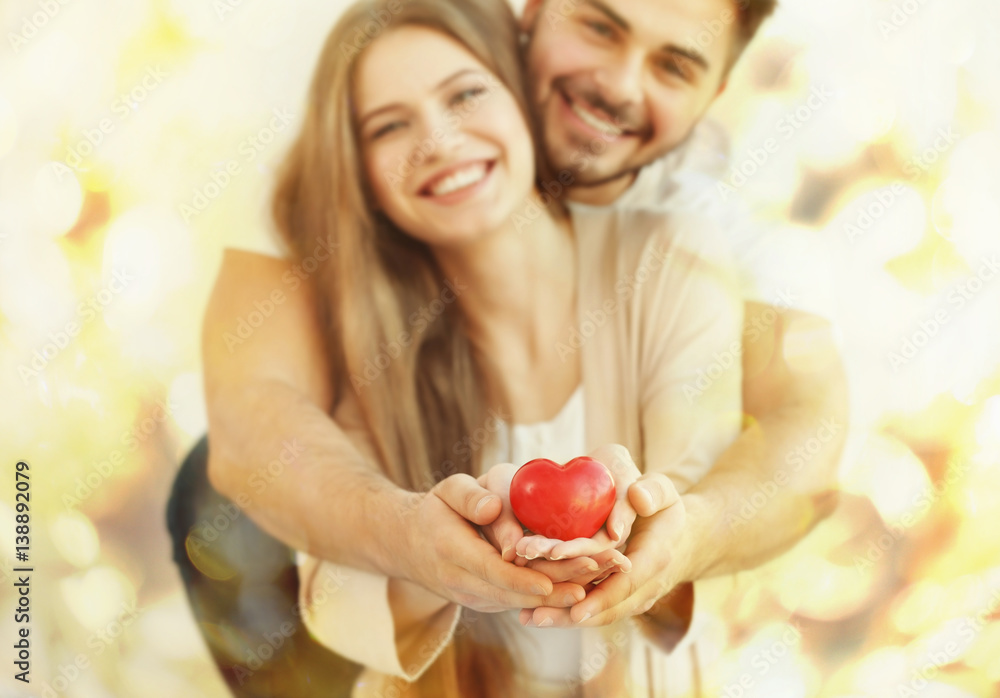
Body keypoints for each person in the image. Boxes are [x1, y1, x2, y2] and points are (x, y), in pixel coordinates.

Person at [199, 0, 847, 692]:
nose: (439, 142)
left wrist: (661, 533)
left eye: (467, 95)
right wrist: (433, 555)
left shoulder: (675, 249)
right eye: (389, 126)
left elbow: (777, 426)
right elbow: (317, 561)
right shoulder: (370, 342)